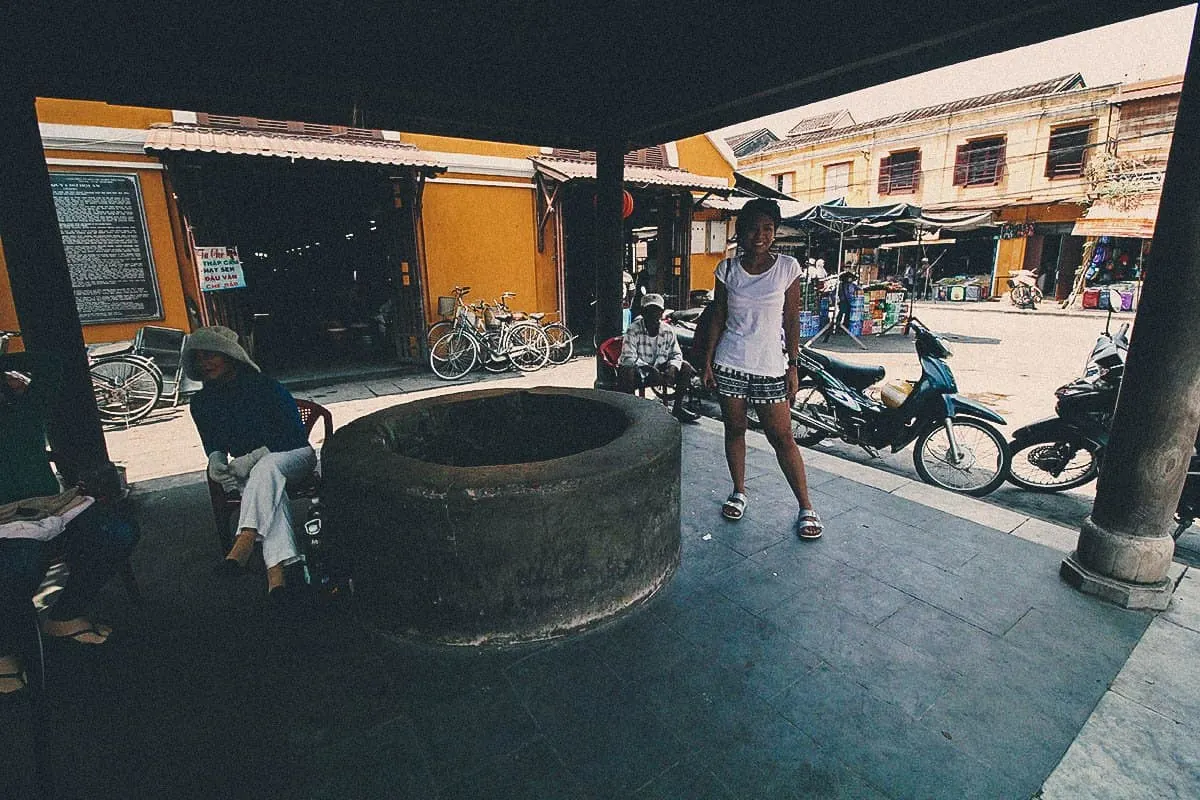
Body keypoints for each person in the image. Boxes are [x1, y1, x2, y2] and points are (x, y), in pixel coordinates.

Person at [1, 351, 140, 696]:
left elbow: (52, 366)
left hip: (50, 509)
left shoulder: (24, 410)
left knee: (117, 532)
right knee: (20, 566)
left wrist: (4, 362)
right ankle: (6, 648)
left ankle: (64, 615)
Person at [702, 198, 822, 539]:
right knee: (734, 429)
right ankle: (739, 491)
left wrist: (793, 366)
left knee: (782, 437)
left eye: (768, 228)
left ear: (775, 232)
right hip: (731, 363)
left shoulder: (788, 268)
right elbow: (718, 316)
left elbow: (791, 318)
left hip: (771, 366)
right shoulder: (726, 269)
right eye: (753, 228)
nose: (761, 235)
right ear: (741, 232)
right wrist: (708, 361)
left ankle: (806, 506)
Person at [183, 326, 316, 598]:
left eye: (211, 355)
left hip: (294, 456)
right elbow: (214, 443)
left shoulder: (265, 387)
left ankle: (245, 538)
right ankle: (276, 580)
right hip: (255, 472)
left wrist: (254, 457)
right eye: (198, 358)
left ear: (229, 356)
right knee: (268, 488)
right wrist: (216, 461)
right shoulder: (201, 402)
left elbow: (293, 436)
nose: (204, 363)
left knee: (265, 469)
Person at [616, 293, 700, 423]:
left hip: (660, 368)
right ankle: (630, 412)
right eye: (649, 311)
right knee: (627, 370)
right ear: (643, 312)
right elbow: (628, 357)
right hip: (639, 371)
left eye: (657, 311)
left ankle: (677, 409)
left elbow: (676, 354)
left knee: (686, 367)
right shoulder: (633, 329)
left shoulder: (667, 330)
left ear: (661, 313)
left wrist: (672, 367)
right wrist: (649, 369)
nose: (654, 315)